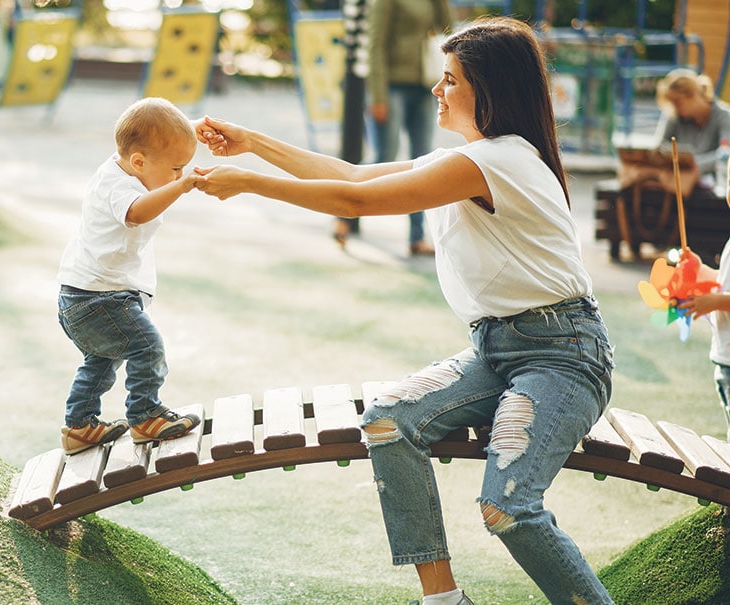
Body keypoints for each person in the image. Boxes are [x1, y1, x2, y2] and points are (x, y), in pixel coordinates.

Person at [193, 17, 615, 605]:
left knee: (508, 507)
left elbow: (354, 200)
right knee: (388, 421)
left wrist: (250, 182)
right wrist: (250, 142)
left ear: (488, 90)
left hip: (562, 355)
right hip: (497, 351)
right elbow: (353, 175)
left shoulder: (494, 162)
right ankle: (443, 599)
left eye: (450, 80)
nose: (437, 91)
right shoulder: (473, 158)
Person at [56, 97, 203, 455]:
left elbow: (155, 143)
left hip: (82, 296)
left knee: (102, 361)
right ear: (138, 161)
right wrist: (182, 188)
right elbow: (137, 213)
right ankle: (145, 415)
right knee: (147, 346)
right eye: (175, 169)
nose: (179, 176)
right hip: (98, 299)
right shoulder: (117, 187)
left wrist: (185, 134)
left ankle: (79, 426)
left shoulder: (127, 166)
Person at [334, 0, 451, 256]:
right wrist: (377, 96)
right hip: (391, 87)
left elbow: (447, 27)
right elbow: (374, 46)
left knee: (424, 163)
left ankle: (416, 237)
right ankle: (344, 213)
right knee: (384, 156)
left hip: (424, 84)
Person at [678, 157, 730, 440]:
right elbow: (722, 282)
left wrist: (714, 302)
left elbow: (723, 295)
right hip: (724, 356)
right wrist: (699, 268)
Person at [654, 68, 730, 187]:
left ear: (693, 95)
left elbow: (726, 154)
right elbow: (660, 146)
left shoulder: (724, 116)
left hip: (713, 180)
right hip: (676, 175)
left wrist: (695, 164)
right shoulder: (675, 114)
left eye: (678, 102)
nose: (675, 107)